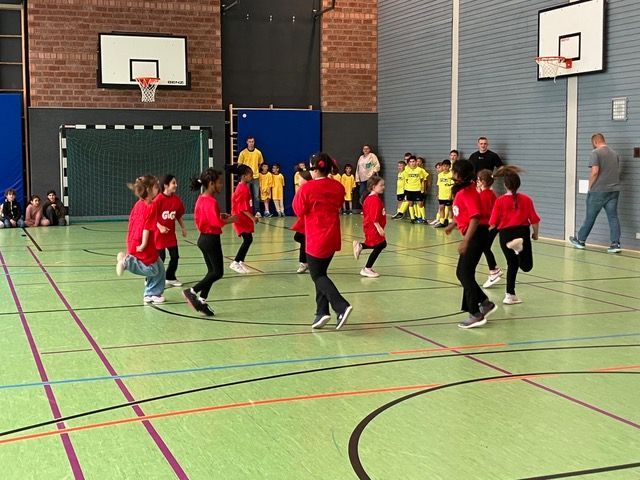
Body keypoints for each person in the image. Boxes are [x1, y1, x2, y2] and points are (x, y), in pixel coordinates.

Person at [293, 152, 352, 330]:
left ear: (314, 169)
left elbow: (298, 210)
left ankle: (341, 306)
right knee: (321, 273)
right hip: (332, 235)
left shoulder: (307, 188)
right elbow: (339, 203)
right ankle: (321, 312)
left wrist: (301, 187)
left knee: (317, 275)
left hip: (316, 237)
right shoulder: (338, 186)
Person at [444, 159, 497, 329]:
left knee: (464, 274)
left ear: (458, 175)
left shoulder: (467, 192)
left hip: (476, 235)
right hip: (476, 234)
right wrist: (453, 224)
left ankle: (476, 313)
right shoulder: (465, 191)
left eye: (453, 172)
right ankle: (484, 303)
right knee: (464, 273)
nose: (452, 174)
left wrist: (466, 241)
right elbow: (465, 213)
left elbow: (475, 217)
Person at [183, 168, 236, 316]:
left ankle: (202, 301)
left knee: (211, 272)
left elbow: (207, 217)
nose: (221, 185)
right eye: (219, 183)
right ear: (211, 184)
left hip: (203, 239)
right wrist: (231, 219)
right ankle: (192, 291)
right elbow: (216, 223)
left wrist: (220, 215)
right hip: (211, 239)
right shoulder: (211, 201)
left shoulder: (202, 198)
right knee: (218, 273)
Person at [490, 166, 540, 304]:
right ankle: (518, 249)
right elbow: (534, 220)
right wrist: (535, 234)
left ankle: (509, 295)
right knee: (526, 266)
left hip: (505, 235)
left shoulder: (499, 201)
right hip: (521, 233)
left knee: (512, 264)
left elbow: (493, 223)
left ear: (505, 185)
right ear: (519, 184)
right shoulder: (527, 199)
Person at [115, 175, 166, 304]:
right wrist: (143, 244)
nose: (158, 189)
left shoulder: (138, 204)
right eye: (156, 187)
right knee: (152, 269)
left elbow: (134, 222)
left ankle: (152, 293)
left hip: (135, 240)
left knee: (159, 267)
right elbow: (146, 227)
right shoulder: (151, 206)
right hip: (142, 242)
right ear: (148, 189)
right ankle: (127, 262)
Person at [569, 133, 622, 253]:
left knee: (590, 217)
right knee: (613, 217)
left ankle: (580, 240)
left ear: (595, 142)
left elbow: (595, 172)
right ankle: (615, 244)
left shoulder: (595, 153)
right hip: (614, 190)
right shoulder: (614, 154)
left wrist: (590, 186)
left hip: (598, 190)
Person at [154, 174, 187, 288]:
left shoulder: (176, 200)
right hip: (158, 235)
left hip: (170, 235)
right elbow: (151, 217)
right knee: (160, 258)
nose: (176, 185)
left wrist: (183, 227)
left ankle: (170, 277)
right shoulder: (158, 200)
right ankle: (151, 278)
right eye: (173, 183)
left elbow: (178, 215)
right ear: (166, 185)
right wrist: (160, 227)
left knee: (175, 256)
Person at [353, 176, 387, 278]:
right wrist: (379, 227)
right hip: (373, 228)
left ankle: (361, 246)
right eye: (381, 185)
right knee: (380, 245)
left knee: (380, 244)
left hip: (371, 227)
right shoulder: (374, 200)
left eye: (383, 185)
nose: (383, 187)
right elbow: (373, 216)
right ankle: (367, 269)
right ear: (373, 187)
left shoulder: (372, 198)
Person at [230, 164, 259, 274]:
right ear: (243, 176)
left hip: (243, 218)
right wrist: (253, 218)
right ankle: (235, 262)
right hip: (240, 218)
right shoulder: (242, 189)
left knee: (248, 239)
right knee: (247, 239)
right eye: (250, 175)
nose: (251, 177)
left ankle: (241, 261)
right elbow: (242, 208)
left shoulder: (244, 187)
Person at [476, 169, 502, 288]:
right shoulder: (490, 193)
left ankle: (494, 271)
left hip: (491, 225)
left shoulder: (484, 195)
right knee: (485, 247)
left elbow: (485, 212)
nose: (477, 181)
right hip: (494, 224)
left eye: (478, 180)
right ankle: (494, 270)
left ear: (482, 181)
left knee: (485, 247)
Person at [237, 136, 264, 215]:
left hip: (255, 177)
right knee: (247, 195)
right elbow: (240, 165)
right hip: (246, 178)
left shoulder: (258, 152)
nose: (251, 143)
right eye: (249, 142)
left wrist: (255, 170)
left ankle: (257, 211)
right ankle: (248, 211)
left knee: (256, 196)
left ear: (254, 142)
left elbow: (260, 163)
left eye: (252, 141)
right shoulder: (243, 153)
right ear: (247, 142)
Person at [292, 170, 312, 274]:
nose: (298, 180)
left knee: (303, 238)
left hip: (308, 219)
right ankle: (306, 261)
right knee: (300, 238)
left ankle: (304, 262)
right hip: (303, 218)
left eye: (300, 178)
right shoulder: (302, 189)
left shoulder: (308, 190)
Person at [396, 155, 427, 223]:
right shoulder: (407, 170)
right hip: (409, 190)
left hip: (417, 190)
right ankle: (412, 218)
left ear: (416, 162)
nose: (412, 163)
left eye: (413, 161)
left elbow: (422, 179)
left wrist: (421, 187)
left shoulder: (420, 170)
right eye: (410, 162)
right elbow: (406, 179)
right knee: (410, 203)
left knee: (420, 203)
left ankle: (424, 218)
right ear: (409, 163)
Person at [433, 160, 454, 228]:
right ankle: (442, 222)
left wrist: (451, 195)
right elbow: (439, 185)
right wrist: (438, 193)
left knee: (450, 209)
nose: (445, 167)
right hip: (442, 195)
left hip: (448, 195)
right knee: (441, 208)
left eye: (447, 166)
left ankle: (450, 222)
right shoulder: (440, 175)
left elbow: (453, 186)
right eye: (444, 166)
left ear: (449, 166)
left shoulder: (451, 174)